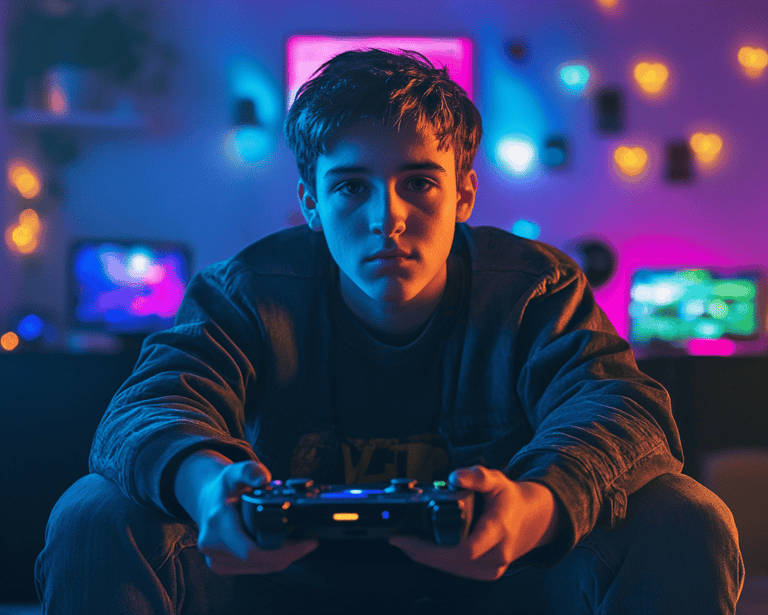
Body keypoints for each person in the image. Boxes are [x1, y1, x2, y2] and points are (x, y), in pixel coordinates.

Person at [36, 49, 743, 614]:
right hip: (281, 585)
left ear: (464, 191)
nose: (387, 217)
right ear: (310, 201)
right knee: (94, 511)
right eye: (351, 186)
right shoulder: (245, 290)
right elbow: (146, 406)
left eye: (419, 182)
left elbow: (627, 409)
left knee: (685, 513)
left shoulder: (533, 286)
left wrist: (535, 506)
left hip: (500, 581)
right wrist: (208, 488)